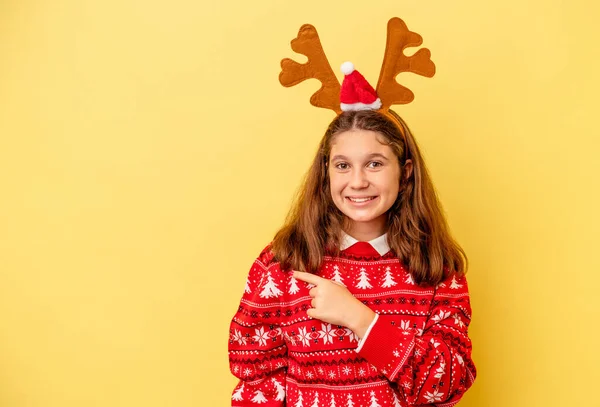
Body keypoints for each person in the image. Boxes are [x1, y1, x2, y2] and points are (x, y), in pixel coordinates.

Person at [228, 19, 476, 407]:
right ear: (326, 173)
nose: (357, 182)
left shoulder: (437, 268)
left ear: (405, 172)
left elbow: (445, 384)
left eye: (375, 164)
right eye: (343, 166)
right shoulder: (282, 263)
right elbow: (255, 379)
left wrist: (361, 319)